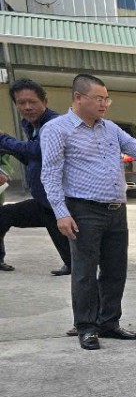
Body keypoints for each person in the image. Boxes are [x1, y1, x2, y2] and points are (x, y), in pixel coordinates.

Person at [39, 73, 136, 351]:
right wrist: (61, 212)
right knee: (84, 271)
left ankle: (109, 322)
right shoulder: (57, 129)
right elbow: (50, 173)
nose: (105, 103)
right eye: (99, 98)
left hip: (116, 210)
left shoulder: (110, 129)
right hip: (83, 210)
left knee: (115, 270)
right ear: (78, 98)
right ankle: (86, 327)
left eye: (107, 98)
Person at [0, 78, 72, 275]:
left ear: (45, 102)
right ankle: (72, 263)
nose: (27, 107)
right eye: (21, 103)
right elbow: (32, 158)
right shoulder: (31, 124)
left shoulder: (54, 124)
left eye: (32, 102)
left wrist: (5, 140)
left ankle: (75, 264)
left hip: (61, 199)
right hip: (44, 199)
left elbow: (40, 150)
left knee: (60, 227)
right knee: (4, 215)